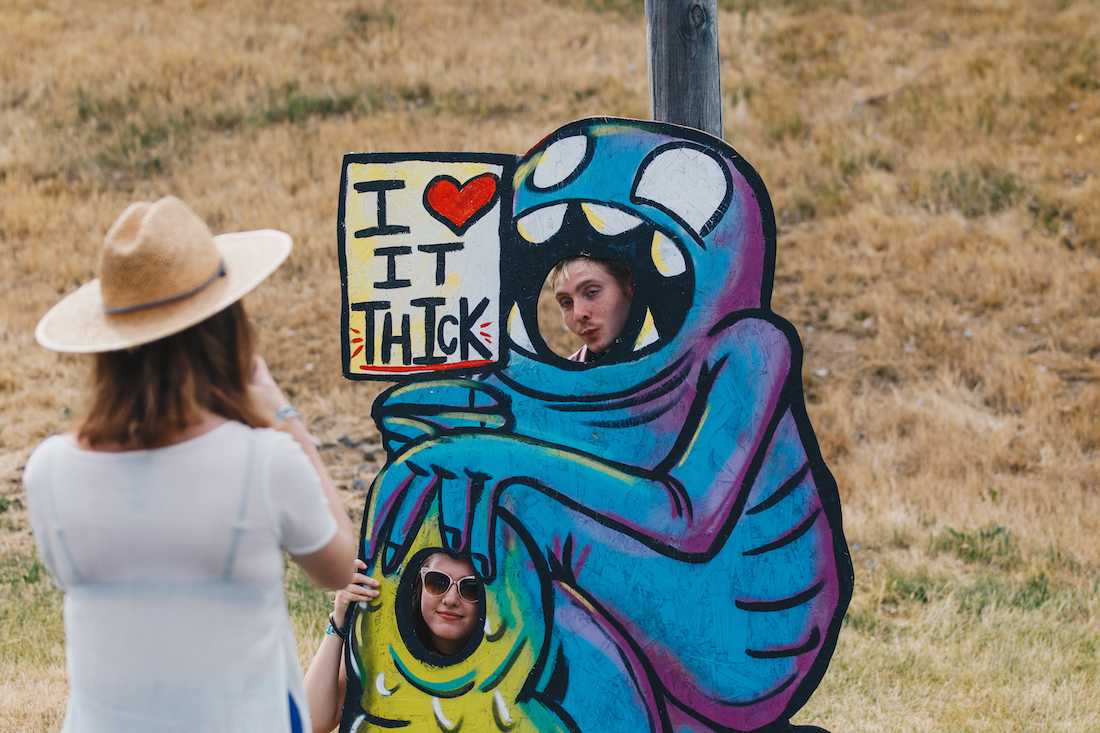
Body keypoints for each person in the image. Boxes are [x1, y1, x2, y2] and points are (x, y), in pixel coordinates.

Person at [23, 196, 356, 733]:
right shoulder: (264, 463)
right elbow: (342, 567)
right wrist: (290, 422)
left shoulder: (48, 471)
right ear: (225, 333)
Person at [304, 552, 481, 733]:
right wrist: (339, 620)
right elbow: (310, 722)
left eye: (470, 588)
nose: (450, 600)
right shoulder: (379, 642)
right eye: (437, 582)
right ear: (419, 583)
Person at [550, 255, 634, 363]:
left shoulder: (662, 363)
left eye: (592, 292)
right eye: (566, 302)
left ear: (630, 287)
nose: (578, 314)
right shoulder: (565, 378)